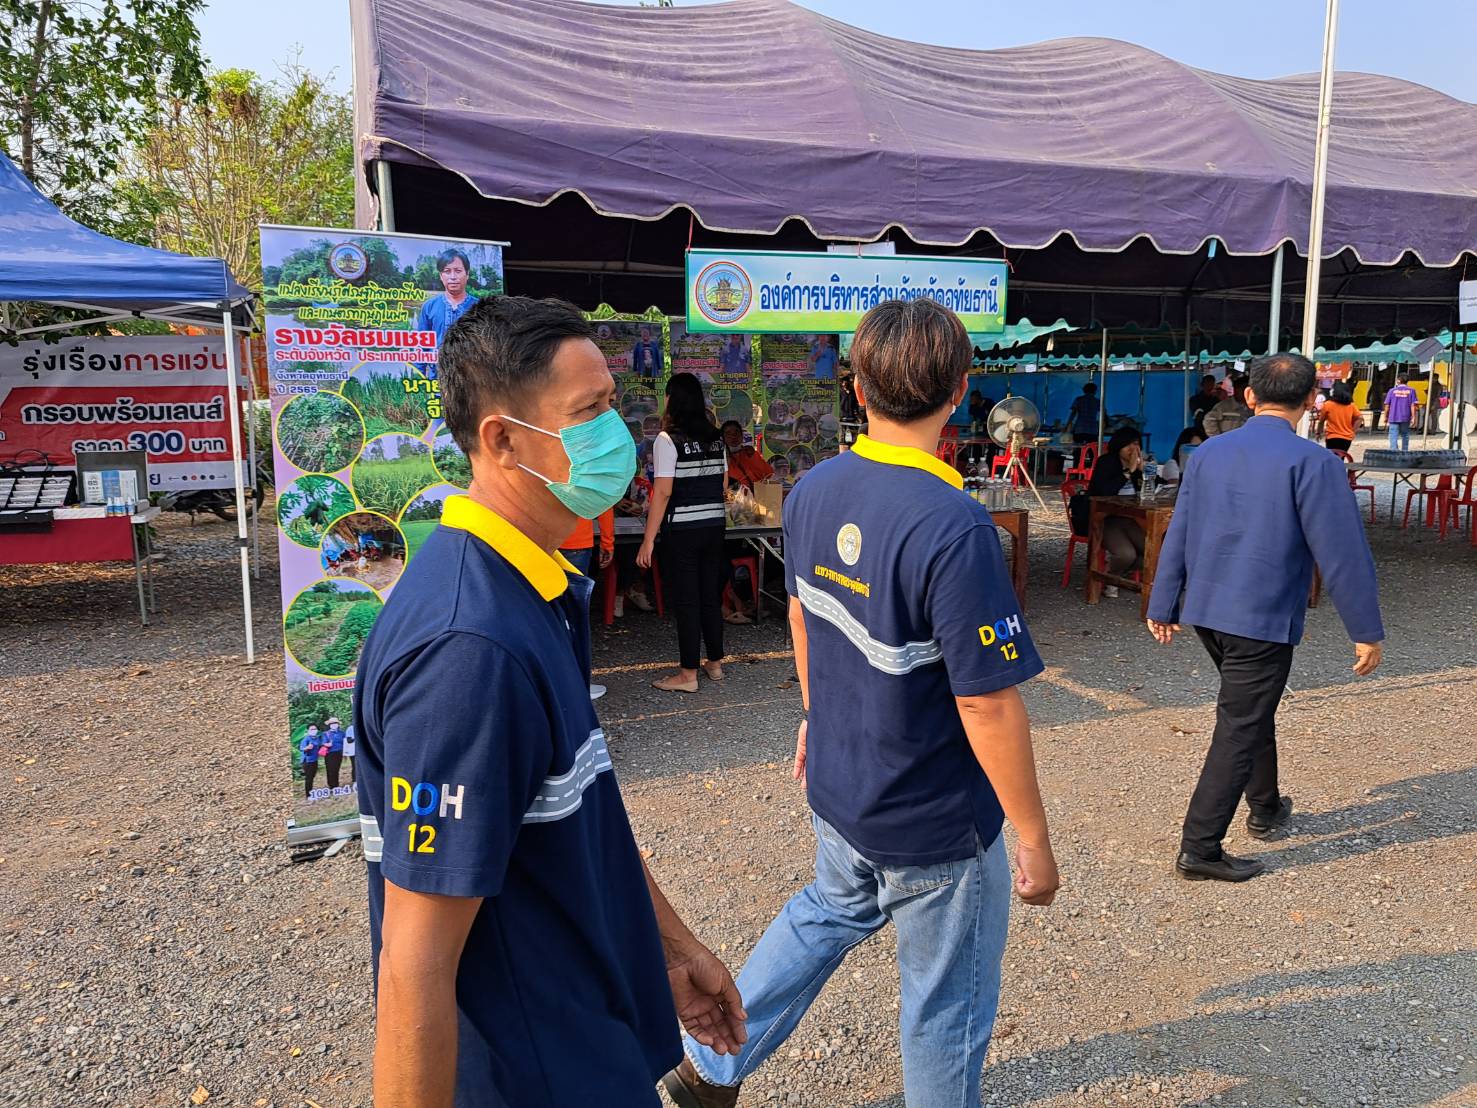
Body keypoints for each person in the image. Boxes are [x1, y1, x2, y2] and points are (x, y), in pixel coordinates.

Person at [661, 298, 1058, 1108]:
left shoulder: (815, 488)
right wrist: (1033, 836)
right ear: (961, 390)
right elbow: (986, 704)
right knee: (943, 1005)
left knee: (825, 912)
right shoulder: (954, 525)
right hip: (933, 818)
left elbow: (802, 613)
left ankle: (709, 1065)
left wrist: (818, 717)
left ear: (855, 387)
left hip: (843, 786)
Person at [354, 296, 746, 1108]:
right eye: (588, 411)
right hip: (532, 1072)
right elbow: (415, 963)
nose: (616, 434)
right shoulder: (470, 651)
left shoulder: (532, 589)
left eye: (613, 404)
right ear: (502, 439)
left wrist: (671, 949)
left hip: (585, 1036)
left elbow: (573, 812)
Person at [1146, 353, 1384, 883]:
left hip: (1207, 610)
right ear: (1310, 402)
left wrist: (1163, 601)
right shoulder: (1316, 463)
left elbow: (1179, 527)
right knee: (1240, 723)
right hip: (1261, 616)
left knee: (1251, 709)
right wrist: (1366, 630)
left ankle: (1266, 805)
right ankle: (1199, 848)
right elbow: (1342, 553)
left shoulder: (1208, 453)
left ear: (1249, 397)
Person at [638, 373, 729, 694]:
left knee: (688, 600)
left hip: (683, 530)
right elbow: (723, 484)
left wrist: (648, 539)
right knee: (710, 596)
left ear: (672, 400)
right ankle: (715, 664)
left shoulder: (668, 439)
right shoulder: (717, 437)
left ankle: (688, 674)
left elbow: (662, 492)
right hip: (714, 526)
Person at [558, 504, 617, 701]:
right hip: (576, 538)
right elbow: (603, 497)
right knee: (574, 615)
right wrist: (607, 541)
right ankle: (577, 683)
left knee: (544, 612)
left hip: (539, 536)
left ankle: (549, 681)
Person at [1083, 427, 1145, 598]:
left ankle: (1114, 574)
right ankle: (1111, 579)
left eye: (1136, 445)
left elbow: (1149, 491)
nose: (1133, 449)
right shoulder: (1106, 462)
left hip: (1130, 517)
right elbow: (1104, 491)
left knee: (1153, 552)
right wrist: (1128, 472)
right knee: (1126, 554)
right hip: (1105, 517)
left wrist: (1143, 472)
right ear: (1118, 446)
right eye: (1128, 445)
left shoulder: (1137, 466)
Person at [413, 248, 477, 378]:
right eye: (447, 271)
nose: (453, 277)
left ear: (467, 274)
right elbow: (421, 346)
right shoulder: (429, 306)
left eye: (458, 271)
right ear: (441, 276)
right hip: (436, 380)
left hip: (470, 381)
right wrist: (418, 379)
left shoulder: (480, 307)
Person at [722, 419, 772, 489]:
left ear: (742, 436)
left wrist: (753, 456)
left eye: (736, 432)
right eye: (728, 433)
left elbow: (768, 474)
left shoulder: (749, 454)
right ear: (723, 438)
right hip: (735, 495)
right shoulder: (721, 458)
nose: (733, 436)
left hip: (757, 494)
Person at [1318, 380, 1363, 453]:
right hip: (1347, 439)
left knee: (1332, 457)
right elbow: (1360, 418)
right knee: (1341, 457)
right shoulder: (1351, 406)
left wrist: (1319, 433)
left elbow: (1321, 421)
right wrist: (1352, 431)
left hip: (1332, 437)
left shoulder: (1328, 404)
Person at [1383, 372, 1418, 451]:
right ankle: (1404, 451)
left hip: (1393, 417)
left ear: (1398, 380)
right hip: (1405, 417)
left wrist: (1385, 416)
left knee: (1393, 435)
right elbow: (1413, 405)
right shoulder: (1412, 391)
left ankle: (1394, 451)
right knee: (1405, 435)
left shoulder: (1392, 391)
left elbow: (1387, 405)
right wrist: (1413, 417)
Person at [321, 716, 346, 790]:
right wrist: (327, 744)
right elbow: (323, 743)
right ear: (329, 725)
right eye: (332, 723)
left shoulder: (342, 733)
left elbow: (345, 742)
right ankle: (332, 785)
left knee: (336, 769)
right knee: (330, 769)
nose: (334, 725)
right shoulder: (326, 733)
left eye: (335, 723)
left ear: (338, 724)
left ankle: (336, 785)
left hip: (339, 753)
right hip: (330, 754)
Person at [299, 726, 321, 798]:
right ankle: (308, 795)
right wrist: (307, 748)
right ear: (308, 730)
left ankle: (311, 791)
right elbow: (302, 749)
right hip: (307, 761)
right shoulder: (306, 739)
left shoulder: (317, 738)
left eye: (315, 729)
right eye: (312, 729)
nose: (314, 730)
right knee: (309, 777)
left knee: (312, 776)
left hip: (314, 760)